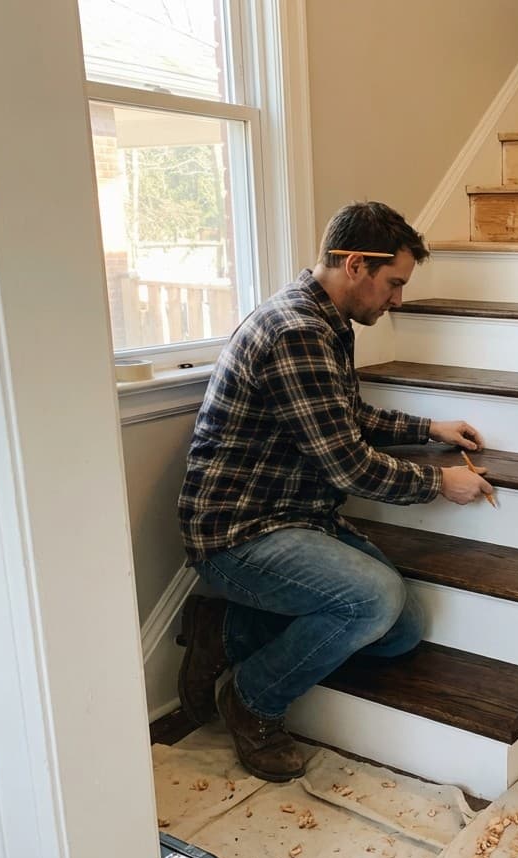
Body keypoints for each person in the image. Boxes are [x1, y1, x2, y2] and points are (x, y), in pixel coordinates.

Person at [174, 201, 495, 782]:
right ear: (355, 265)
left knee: (401, 628)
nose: (397, 299)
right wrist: (438, 481)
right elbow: (349, 467)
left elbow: (344, 417)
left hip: (295, 515)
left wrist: (427, 430)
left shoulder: (326, 322)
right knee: (371, 601)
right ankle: (251, 702)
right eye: (394, 283)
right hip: (237, 533)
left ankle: (225, 631)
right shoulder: (297, 331)